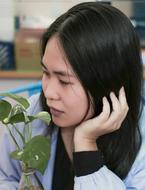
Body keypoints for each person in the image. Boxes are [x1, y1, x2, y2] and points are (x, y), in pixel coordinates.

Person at [0, 2, 145, 190]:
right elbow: (5, 176)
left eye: (64, 81)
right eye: (46, 73)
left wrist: (86, 145)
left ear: (107, 83)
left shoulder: (140, 145)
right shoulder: (32, 115)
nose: (48, 92)